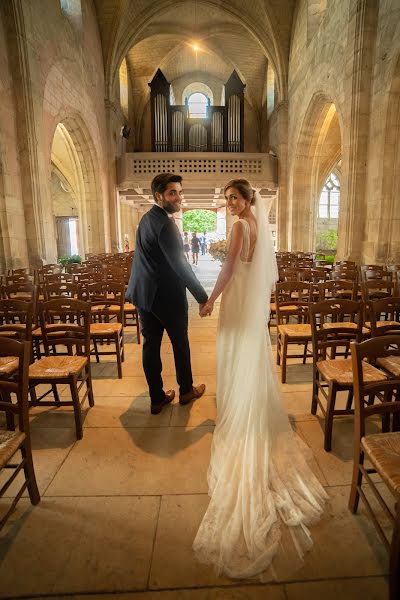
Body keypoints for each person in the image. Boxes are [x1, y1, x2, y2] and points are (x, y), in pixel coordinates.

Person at [193, 179, 327, 578]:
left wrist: (211, 299)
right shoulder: (258, 227)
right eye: (227, 198)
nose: (230, 203)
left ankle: (239, 408)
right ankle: (244, 400)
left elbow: (232, 267)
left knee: (236, 353)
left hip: (237, 301)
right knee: (249, 354)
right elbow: (257, 270)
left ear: (248, 198)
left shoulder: (238, 228)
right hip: (251, 305)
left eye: (234, 197)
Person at [126, 173, 208, 414]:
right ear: (158, 196)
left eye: (180, 192)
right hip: (167, 298)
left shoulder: (146, 219)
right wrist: (203, 297)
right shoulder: (166, 224)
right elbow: (180, 265)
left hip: (145, 295)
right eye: (173, 193)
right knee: (180, 345)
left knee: (151, 346)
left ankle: (157, 398)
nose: (179, 197)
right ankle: (186, 391)